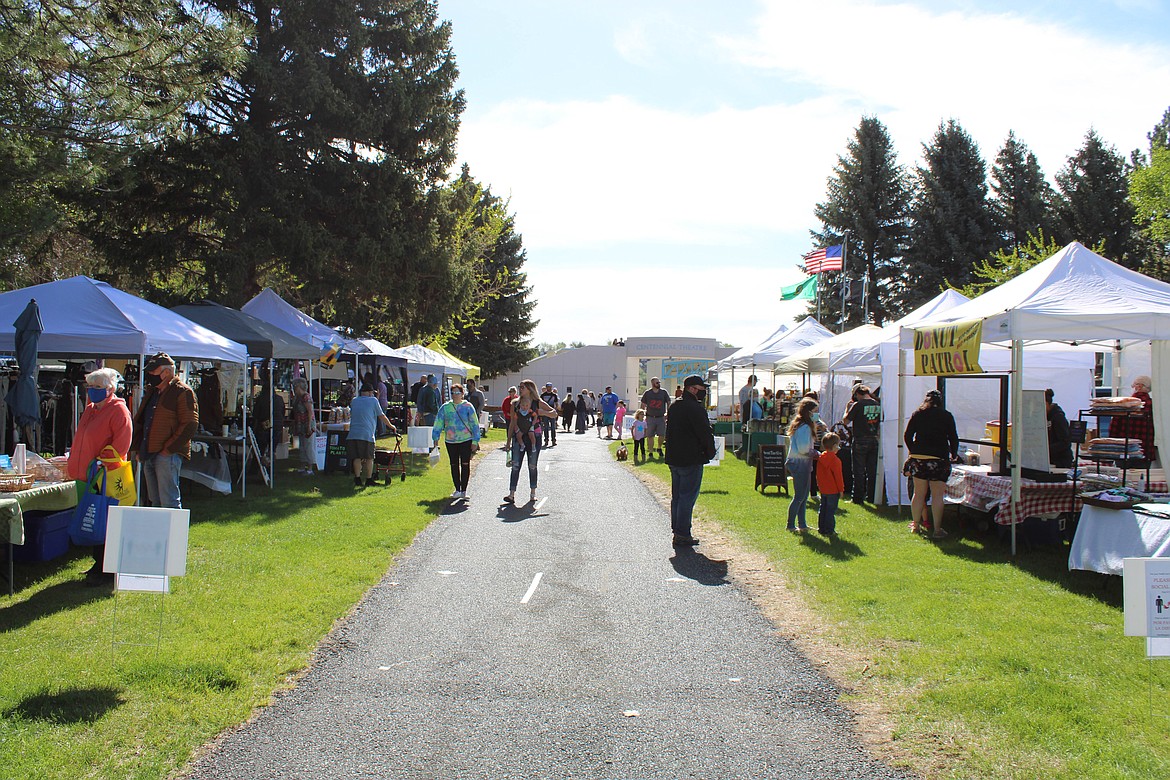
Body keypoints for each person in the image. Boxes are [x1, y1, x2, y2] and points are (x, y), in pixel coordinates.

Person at [68, 367, 133, 586]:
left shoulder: (118, 411)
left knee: (106, 518)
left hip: (105, 474)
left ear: (110, 388)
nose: (93, 391)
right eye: (91, 387)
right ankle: (98, 564)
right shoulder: (90, 409)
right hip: (88, 474)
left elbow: (122, 442)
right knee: (94, 517)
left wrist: (102, 461)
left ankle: (108, 568)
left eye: (98, 387)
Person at [131, 352, 199, 509]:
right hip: (149, 452)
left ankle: (173, 534)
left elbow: (190, 424)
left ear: (167, 372)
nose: (150, 374)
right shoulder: (153, 392)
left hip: (166, 454)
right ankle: (158, 533)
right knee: (155, 501)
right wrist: (139, 447)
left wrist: (168, 449)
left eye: (153, 371)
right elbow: (143, 421)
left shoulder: (183, 391)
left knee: (169, 501)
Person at [664, 375, 716, 547]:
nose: (704, 393)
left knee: (677, 496)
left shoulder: (674, 406)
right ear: (693, 389)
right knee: (687, 497)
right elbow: (704, 433)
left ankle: (677, 529)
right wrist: (710, 452)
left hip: (674, 457)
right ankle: (683, 532)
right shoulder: (695, 408)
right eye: (702, 389)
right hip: (691, 457)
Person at [903, 390, 960, 539]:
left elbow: (907, 435)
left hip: (919, 457)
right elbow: (953, 437)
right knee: (937, 496)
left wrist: (913, 450)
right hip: (938, 458)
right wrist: (954, 454)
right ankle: (937, 529)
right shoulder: (946, 415)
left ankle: (915, 524)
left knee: (919, 493)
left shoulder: (918, 414)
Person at [504, 380, 557, 504]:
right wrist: (508, 441)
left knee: (532, 465)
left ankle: (533, 493)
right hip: (518, 437)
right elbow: (512, 422)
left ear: (530, 388)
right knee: (515, 465)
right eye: (519, 387)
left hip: (534, 436)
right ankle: (511, 494)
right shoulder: (515, 403)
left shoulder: (537, 402)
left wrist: (543, 413)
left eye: (522, 387)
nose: (520, 389)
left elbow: (554, 414)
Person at [432, 383, 480, 500]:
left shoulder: (468, 406)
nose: (455, 395)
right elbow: (439, 422)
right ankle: (457, 489)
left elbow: (474, 424)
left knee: (465, 464)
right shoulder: (446, 407)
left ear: (462, 394)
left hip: (465, 440)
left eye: (457, 393)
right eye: (453, 393)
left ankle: (464, 490)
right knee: (454, 464)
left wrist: (475, 440)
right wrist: (435, 438)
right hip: (450, 440)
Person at [347, 382, 395, 488]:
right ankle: (369, 479)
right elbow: (381, 415)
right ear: (370, 392)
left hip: (353, 433)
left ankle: (357, 478)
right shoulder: (373, 400)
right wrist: (391, 426)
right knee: (369, 458)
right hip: (367, 434)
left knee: (356, 457)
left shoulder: (354, 401)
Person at [843, 384, 881, 504]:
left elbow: (846, 421)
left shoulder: (857, 405)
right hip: (874, 438)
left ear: (858, 394)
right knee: (872, 470)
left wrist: (847, 408)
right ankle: (872, 496)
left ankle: (857, 497)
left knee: (858, 471)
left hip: (860, 439)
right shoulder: (877, 404)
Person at [785, 399, 818, 533]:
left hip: (800, 462)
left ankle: (802, 524)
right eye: (815, 412)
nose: (816, 414)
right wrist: (816, 453)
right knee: (799, 496)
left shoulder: (800, 425)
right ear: (809, 412)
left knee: (803, 497)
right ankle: (791, 524)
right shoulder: (804, 427)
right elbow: (804, 449)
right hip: (800, 463)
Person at [1110, 375, 1157, 466]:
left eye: (1133, 385)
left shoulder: (1123, 404)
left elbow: (1113, 428)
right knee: (1141, 477)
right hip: (1145, 451)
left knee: (1123, 477)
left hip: (1123, 450)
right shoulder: (1153, 406)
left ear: (1138, 386)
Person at [817, 432, 845, 536]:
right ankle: (829, 530)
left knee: (823, 508)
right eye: (838, 445)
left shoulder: (821, 458)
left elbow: (818, 474)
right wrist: (841, 490)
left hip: (823, 489)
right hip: (833, 490)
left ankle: (821, 528)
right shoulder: (835, 460)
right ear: (834, 446)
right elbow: (838, 477)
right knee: (830, 511)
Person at [290, 377, 318, 475]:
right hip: (300, 425)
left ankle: (310, 468)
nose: (294, 388)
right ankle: (302, 466)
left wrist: (309, 426)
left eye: (295, 386)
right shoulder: (297, 398)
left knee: (309, 446)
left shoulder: (306, 397)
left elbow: (310, 412)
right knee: (302, 446)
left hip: (307, 424)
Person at [640, 377, 671, 457]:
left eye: (659, 383)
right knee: (650, 435)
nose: (659, 384)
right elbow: (643, 404)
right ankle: (650, 451)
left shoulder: (663, 392)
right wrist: (641, 415)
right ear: (653, 384)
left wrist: (668, 413)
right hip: (650, 417)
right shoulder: (647, 393)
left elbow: (668, 402)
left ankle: (659, 448)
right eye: (657, 383)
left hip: (661, 417)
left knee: (662, 435)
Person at [1045, 388, 1074, 469]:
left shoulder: (1058, 417)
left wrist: (1046, 449)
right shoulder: (1045, 417)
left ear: (1046, 404)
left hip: (1061, 461)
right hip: (1050, 460)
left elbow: (1065, 441)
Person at [736, 375, 758, 454]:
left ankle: (744, 450)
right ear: (754, 381)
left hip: (746, 414)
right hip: (747, 415)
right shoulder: (747, 390)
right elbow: (744, 404)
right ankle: (743, 451)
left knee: (746, 435)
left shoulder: (743, 390)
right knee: (746, 435)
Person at [540, 383, 559, 447]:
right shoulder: (543, 395)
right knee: (546, 427)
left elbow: (556, 403)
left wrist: (555, 411)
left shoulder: (554, 395)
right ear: (546, 387)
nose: (549, 388)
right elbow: (540, 404)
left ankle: (553, 440)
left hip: (552, 412)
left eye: (550, 387)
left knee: (553, 427)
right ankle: (546, 440)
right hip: (545, 412)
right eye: (548, 387)